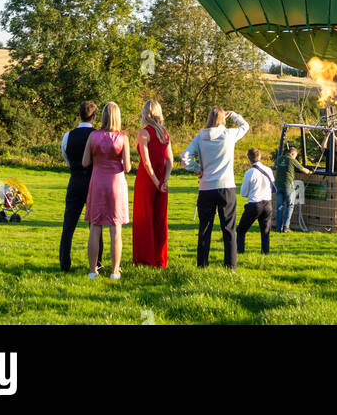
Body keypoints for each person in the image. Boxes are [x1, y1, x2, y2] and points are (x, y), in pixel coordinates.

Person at [180, 107, 249, 269]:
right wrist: (234, 114)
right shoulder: (228, 135)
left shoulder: (200, 137)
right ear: (223, 119)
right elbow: (245, 126)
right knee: (229, 229)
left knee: (204, 228)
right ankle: (230, 266)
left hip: (206, 187)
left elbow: (185, 156)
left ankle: (202, 264)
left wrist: (196, 168)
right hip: (226, 186)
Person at [82, 102, 131, 281]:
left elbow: (85, 162)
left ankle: (92, 270)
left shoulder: (93, 136)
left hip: (97, 182)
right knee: (115, 228)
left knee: (95, 226)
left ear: (102, 116)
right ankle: (115, 270)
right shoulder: (122, 138)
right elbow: (127, 167)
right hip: (116, 184)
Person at [60, 101, 102, 270]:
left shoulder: (68, 136)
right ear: (94, 117)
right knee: (95, 224)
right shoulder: (98, 135)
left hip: (75, 179)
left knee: (68, 225)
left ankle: (64, 262)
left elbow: (66, 156)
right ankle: (97, 262)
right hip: (93, 181)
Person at [133, 99, 172, 269]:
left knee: (144, 219)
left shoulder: (143, 133)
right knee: (159, 220)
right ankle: (159, 259)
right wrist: (165, 180)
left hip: (147, 181)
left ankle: (144, 259)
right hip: (162, 181)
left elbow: (146, 162)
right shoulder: (164, 133)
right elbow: (169, 160)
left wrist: (156, 182)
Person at [236, 147, 275, 255]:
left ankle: (240, 252)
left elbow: (243, 193)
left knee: (241, 230)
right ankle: (265, 253)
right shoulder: (268, 170)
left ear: (248, 158)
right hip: (268, 203)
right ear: (260, 156)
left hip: (255, 204)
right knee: (265, 231)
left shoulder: (250, 172)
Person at [273, 142, 312, 233]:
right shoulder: (292, 160)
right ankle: (286, 227)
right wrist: (310, 172)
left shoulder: (279, 159)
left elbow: (275, 166)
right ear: (293, 153)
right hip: (288, 186)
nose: (295, 158)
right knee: (290, 205)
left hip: (278, 186)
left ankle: (278, 228)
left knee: (279, 207)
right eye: (295, 156)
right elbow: (304, 170)